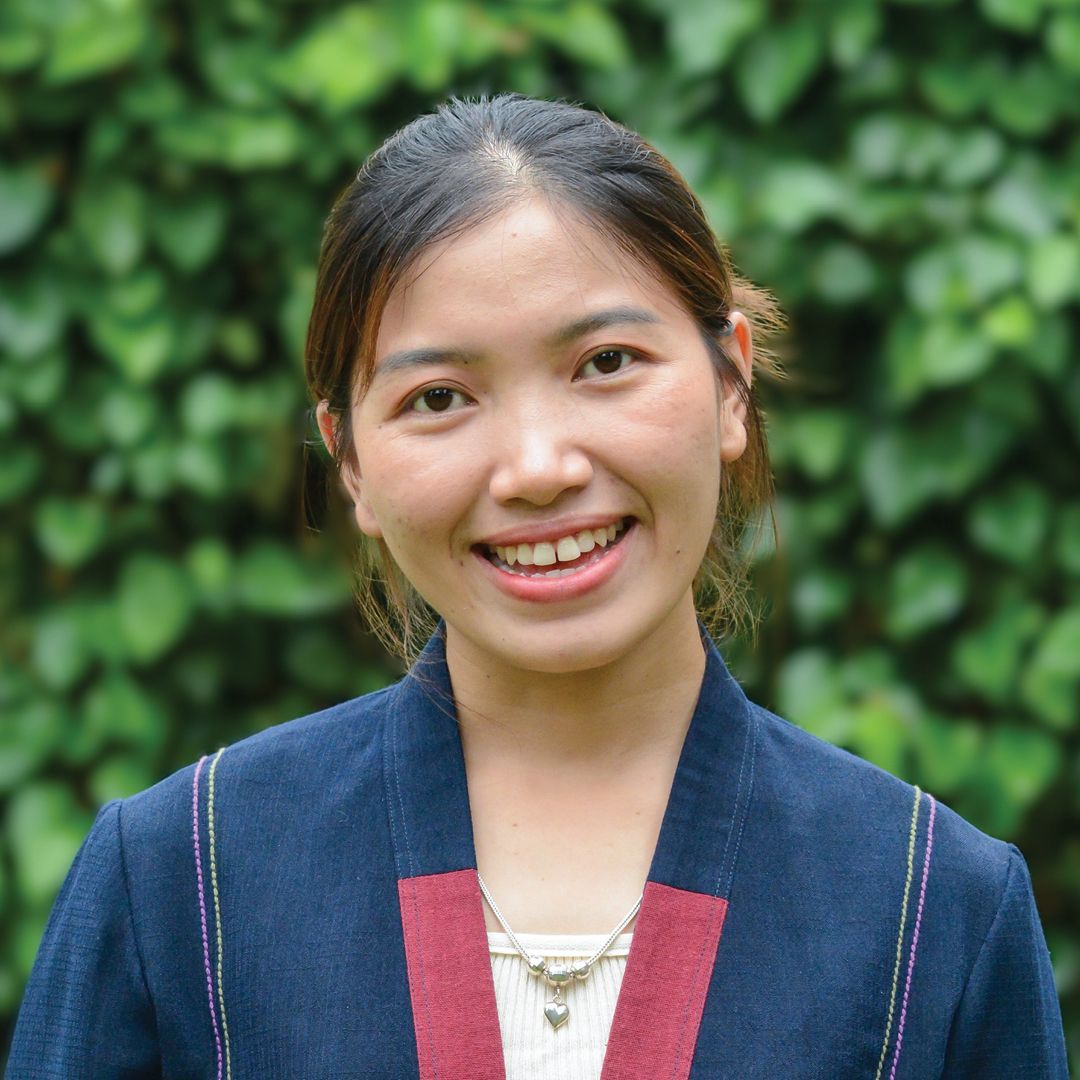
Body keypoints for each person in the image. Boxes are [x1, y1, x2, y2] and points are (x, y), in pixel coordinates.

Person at [5, 94, 1068, 1079]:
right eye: (439, 397)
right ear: (352, 463)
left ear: (732, 380)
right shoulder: (181, 884)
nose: (538, 468)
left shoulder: (933, 907)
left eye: (605, 363)